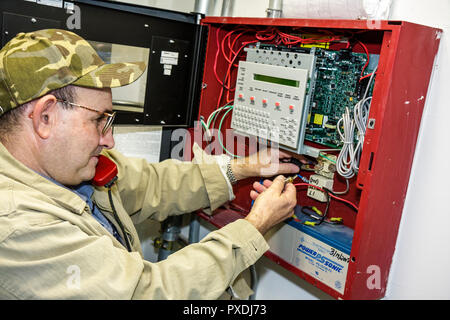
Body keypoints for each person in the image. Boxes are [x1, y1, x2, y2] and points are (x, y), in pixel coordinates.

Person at [0, 29, 300, 299]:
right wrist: (254, 226)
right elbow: (147, 293)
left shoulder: (70, 170)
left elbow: (153, 184)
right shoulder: (17, 225)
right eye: (98, 120)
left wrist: (242, 168)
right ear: (45, 117)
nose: (109, 141)